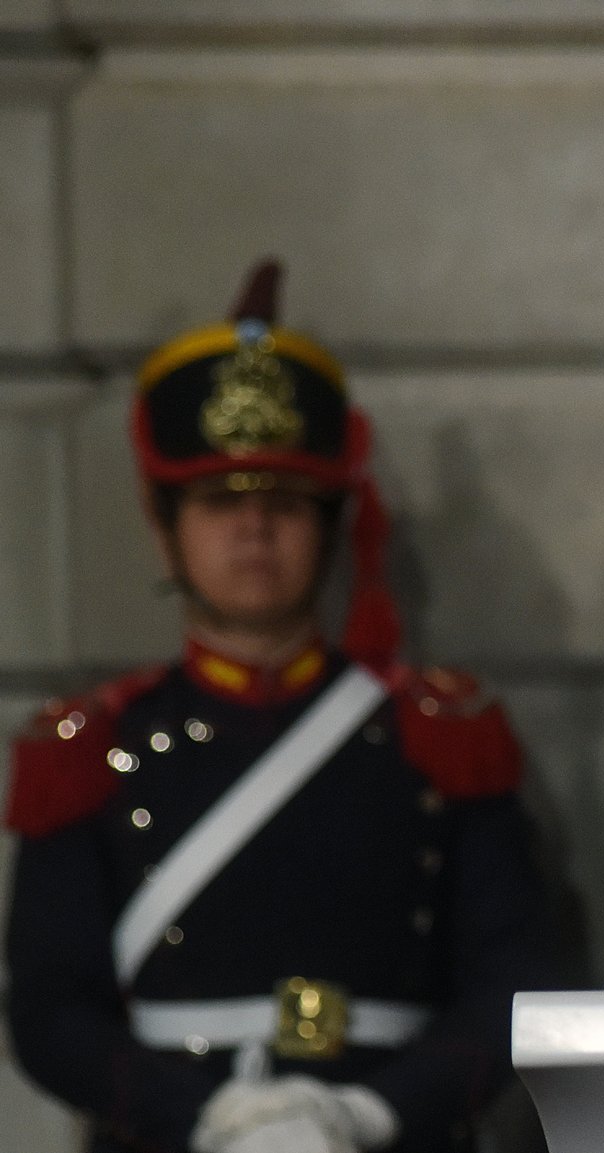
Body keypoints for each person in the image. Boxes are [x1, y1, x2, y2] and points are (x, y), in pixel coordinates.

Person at [4, 263, 553, 1153]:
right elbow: (50, 1007)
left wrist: (366, 1114)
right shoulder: (92, 746)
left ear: (333, 523)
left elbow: (512, 982)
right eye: (221, 500)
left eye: (287, 502)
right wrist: (209, 1119)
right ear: (163, 522)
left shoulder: (440, 736)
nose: (253, 530)